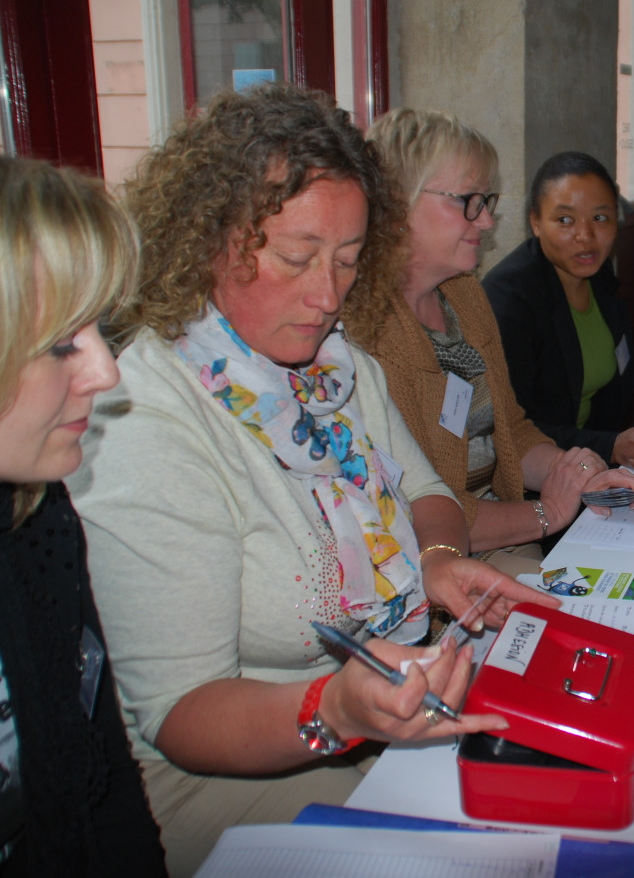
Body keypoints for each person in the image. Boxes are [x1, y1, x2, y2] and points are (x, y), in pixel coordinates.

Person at [67, 84, 556, 877]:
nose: (329, 297)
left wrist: (433, 562)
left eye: (350, 261)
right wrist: (334, 708)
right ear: (210, 240)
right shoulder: (145, 418)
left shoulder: (337, 367)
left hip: (369, 709)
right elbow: (181, 714)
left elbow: (432, 495)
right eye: (296, 259)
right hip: (222, 775)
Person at [357, 110, 634, 564]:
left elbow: (510, 428)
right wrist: (547, 510)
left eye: (487, 201)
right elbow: (417, 507)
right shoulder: (368, 335)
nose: (487, 222)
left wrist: (573, 472)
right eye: (467, 201)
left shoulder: (464, 295)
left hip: (501, 531)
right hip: (436, 556)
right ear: (397, 203)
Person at [0, 157, 167, 875]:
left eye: (98, 329)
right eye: (64, 342)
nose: (105, 371)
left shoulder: (37, 514)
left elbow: (102, 791)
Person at [483, 151, 634, 471]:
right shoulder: (510, 299)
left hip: (594, 469)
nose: (585, 236)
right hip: (535, 484)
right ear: (535, 222)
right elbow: (509, 430)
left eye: (600, 218)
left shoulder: (600, 278)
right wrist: (609, 446)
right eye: (565, 220)